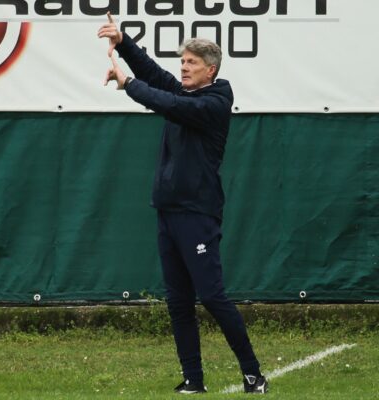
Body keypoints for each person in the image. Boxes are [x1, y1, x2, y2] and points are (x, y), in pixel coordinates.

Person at [98, 13, 268, 395]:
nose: (184, 67)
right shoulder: (185, 94)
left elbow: (162, 99)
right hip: (168, 213)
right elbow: (156, 76)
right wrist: (123, 42)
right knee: (178, 302)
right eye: (183, 61)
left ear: (210, 70)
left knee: (211, 296)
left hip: (197, 214)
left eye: (191, 63)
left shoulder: (214, 101)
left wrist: (128, 84)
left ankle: (253, 375)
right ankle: (194, 380)